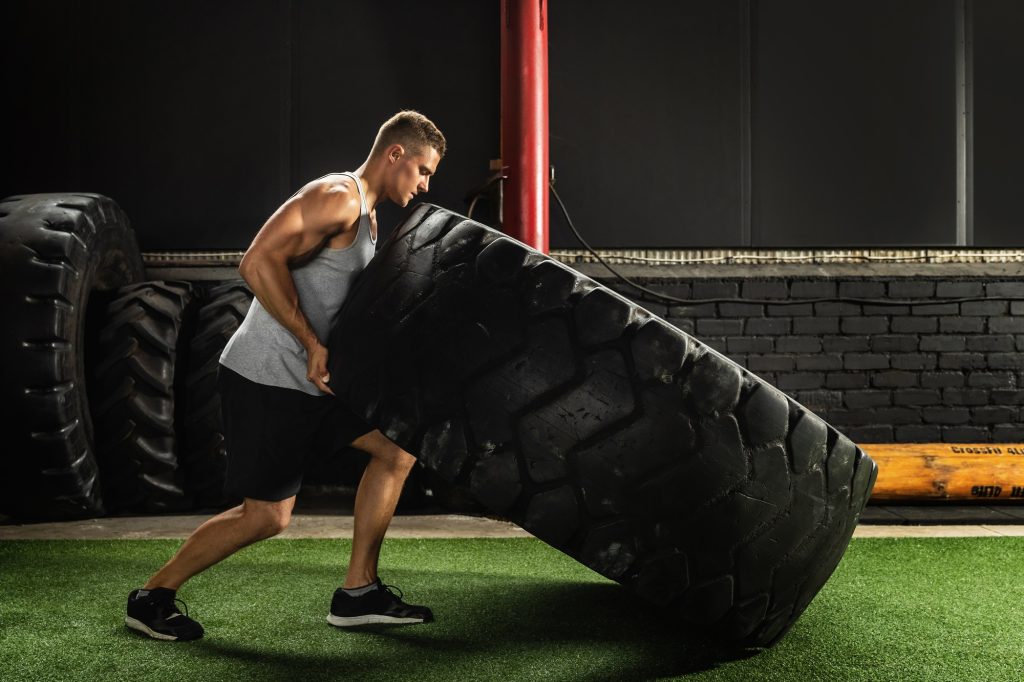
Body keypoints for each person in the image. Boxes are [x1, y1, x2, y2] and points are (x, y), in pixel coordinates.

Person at [124, 110, 446, 641]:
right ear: (395, 155)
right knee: (267, 517)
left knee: (396, 451)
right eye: (423, 170)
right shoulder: (337, 196)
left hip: (314, 382)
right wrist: (312, 344)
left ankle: (358, 591)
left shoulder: (367, 213)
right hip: (269, 376)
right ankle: (152, 597)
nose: (425, 184)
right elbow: (256, 261)